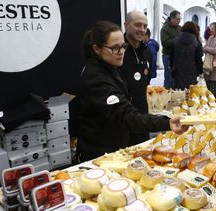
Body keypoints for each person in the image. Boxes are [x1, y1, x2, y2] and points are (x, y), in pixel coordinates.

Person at [77, 21, 187, 161]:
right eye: (115, 48)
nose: (121, 52)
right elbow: (126, 115)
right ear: (97, 49)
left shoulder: (109, 67)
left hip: (114, 145)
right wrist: (167, 123)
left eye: (123, 46)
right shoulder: (96, 78)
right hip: (99, 153)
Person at [119, 11, 153, 146]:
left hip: (142, 117)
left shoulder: (147, 51)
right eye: (138, 25)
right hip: (121, 118)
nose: (142, 30)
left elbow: (147, 81)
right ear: (126, 25)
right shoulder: (118, 51)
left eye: (145, 26)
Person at [171, 22, 203, 90]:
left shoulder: (175, 40)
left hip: (178, 70)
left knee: (179, 91)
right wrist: (201, 71)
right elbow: (199, 58)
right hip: (192, 70)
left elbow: (172, 56)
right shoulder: (196, 41)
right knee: (191, 91)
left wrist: (171, 67)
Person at [161, 10, 181, 89]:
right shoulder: (165, 28)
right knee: (169, 77)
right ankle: (167, 93)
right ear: (172, 18)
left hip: (178, 55)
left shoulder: (180, 28)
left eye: (180, 19)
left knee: (176, 77)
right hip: (168, 55)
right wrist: (178, 40)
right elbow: (165, 43)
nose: (179, 21)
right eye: (177, 19)